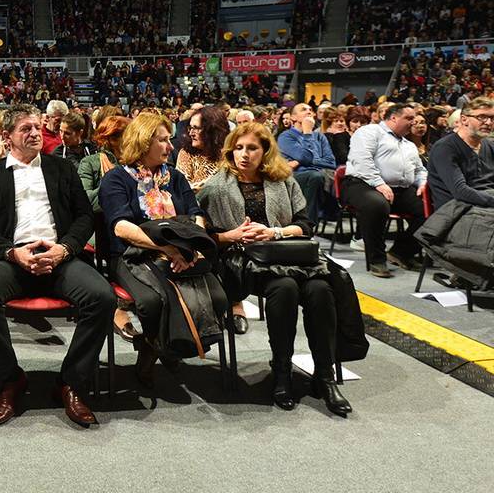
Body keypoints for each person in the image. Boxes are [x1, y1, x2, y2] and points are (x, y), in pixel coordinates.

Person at [0, 104, 115, 428]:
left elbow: (84, 216)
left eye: (37, 127)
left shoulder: (61, 167)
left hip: (58, 256)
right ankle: (10, 380)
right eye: (26, 129)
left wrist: (64, 249)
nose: (36, 133)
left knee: (102, 297)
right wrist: (11, 252)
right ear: (7, 137)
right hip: (14, 259)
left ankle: (70, 383)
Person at [198, 122, 351, 415]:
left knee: (320, 289)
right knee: (285, 287)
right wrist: (234, 235)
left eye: (252, 148)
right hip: (243, 261)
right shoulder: (216, 187)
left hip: (284, 252)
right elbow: (205, 236)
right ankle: (281, 373)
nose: (245, 154)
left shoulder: (284, 180)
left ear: (265, 150)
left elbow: (306, 226)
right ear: (230, 151)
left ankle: (325, 376)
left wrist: (274, 232)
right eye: (239, 148)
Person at [100, 113, 226, 387]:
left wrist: (189, 246)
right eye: (163, 140)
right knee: (151, 302)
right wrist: (166, 248)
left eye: (169, 140)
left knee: (218, 298)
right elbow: (121, 227)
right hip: (131, 254)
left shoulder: (176, 178)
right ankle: (153, 349)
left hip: (181, 252)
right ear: (144, 143)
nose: (171, 147)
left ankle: (164, 344)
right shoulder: (116, 179)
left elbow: (195, 215)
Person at [175, 105, 251, 334]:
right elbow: (183, 188)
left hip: (224, 215)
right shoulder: (186, 153)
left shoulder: (228, 156)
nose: (192, 133)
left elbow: (234, 186)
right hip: (194, 217)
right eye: (190, 128)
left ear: (213, 130)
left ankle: (236, 303)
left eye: (197, 128)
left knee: (233, 225)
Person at [344, 103, 427, 277]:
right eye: (409, 118)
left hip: (401, 189)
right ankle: (377, 259)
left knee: (430, 209)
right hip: (362, 184)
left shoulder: (408, 144)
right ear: (393, 117)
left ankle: (401, 252)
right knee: (377, 205)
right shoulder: (370, 131)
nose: (413, 123)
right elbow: (362, 159)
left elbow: (420, 170)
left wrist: (423, 184)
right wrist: (378, 183)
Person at [76, 115, 133, 341]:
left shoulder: (135, 163)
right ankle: (118, 308)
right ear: (110, 139)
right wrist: (113, 186)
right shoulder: (89, 163)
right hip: (98, 231)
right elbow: (84, 200)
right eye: (125, 137)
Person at [427, 96, 494, 210]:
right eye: (482, 117)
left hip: (486, 203)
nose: (488, 122)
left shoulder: (489, 145)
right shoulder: (445, 148)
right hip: (457, 208)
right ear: (464, 120)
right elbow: (460, 191)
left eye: (492, 118)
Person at [276, 103, 336, 224]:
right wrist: (307, 132)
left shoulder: (319, 137)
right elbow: (306, 158)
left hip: (319, 176)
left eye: (310, 110)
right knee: (315, 176)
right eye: (303, 110)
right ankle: (308, 226)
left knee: (319, 176)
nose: (308, 112)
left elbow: (331, 163)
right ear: (293, 117)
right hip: (295, 177)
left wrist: (299, 161)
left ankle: (307, 225)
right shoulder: (286, 136)